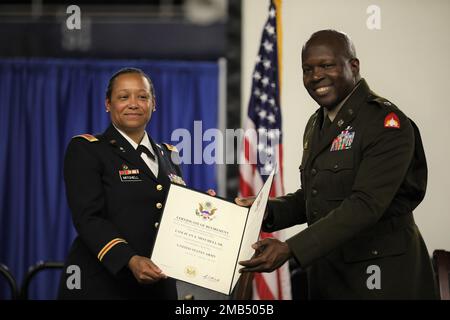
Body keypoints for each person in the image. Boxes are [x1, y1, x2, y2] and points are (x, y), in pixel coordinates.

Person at [237, 30, 438, 299]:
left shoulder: (385, 123)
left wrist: (291, 249)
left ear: (353, 66)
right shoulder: (317, 123)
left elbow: (365, 205)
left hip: (379, 279)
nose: (315, 76)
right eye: (307, 69)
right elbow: (317, 196)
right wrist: (266, 210)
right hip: (330, 276)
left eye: (326, 65)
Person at [58, 68, 188, 299]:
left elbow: (172, 214)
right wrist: (129, 259)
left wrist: (203, 209)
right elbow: (89, 218)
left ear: (153, 104)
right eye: (123, 97)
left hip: (158, 284)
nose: (134, 104)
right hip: (105, 283)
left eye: (142, 96)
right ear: (108, 104)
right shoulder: (87, 149)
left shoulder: (169, 154)